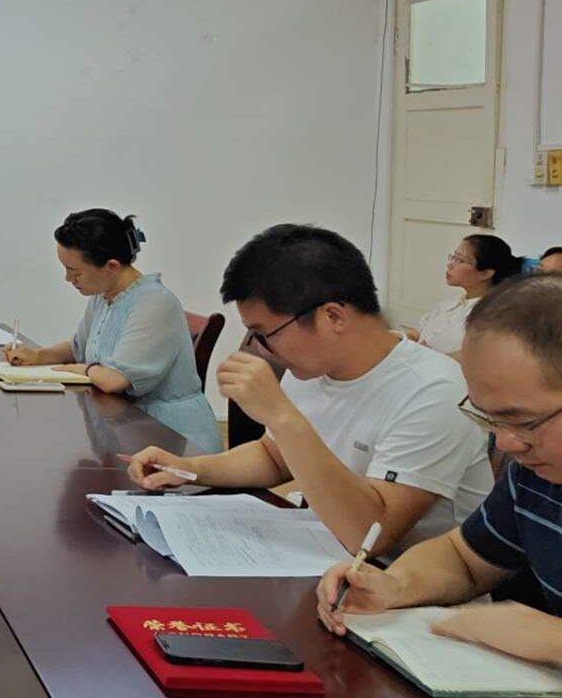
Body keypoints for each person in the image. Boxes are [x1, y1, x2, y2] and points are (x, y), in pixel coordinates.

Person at [127, 224, 493, 554]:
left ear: (333, 316)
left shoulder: (434, 390)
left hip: (401, 587)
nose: (261, 350)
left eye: (265, 335)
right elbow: (273, 457)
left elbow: (370, 536)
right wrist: (188, 469)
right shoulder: (314, 369)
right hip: (326, 556)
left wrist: (280, 414)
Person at [319, 273, 562, 666]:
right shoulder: (534, 475)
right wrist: (396, 585)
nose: (505, 444)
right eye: (490, 420)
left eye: (524, 422)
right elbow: (464, 559)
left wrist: (551, 638)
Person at [2, 209, 220, 453]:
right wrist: (38, 356)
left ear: (111, 266)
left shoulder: (154, 303)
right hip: (125, 425)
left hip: (171, 436)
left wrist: (82, 369)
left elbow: (114, 380)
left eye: (75, 272)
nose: (68, 279)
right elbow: (78, 347)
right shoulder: (103, 296)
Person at [406, 233, 522, 356]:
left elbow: (475, 358)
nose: (450, 265)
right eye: (453, 257)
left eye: (460, 260)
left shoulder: (494, 316)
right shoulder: (447, 305)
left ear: (486, 273)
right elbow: (415, 334)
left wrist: (426, 357)